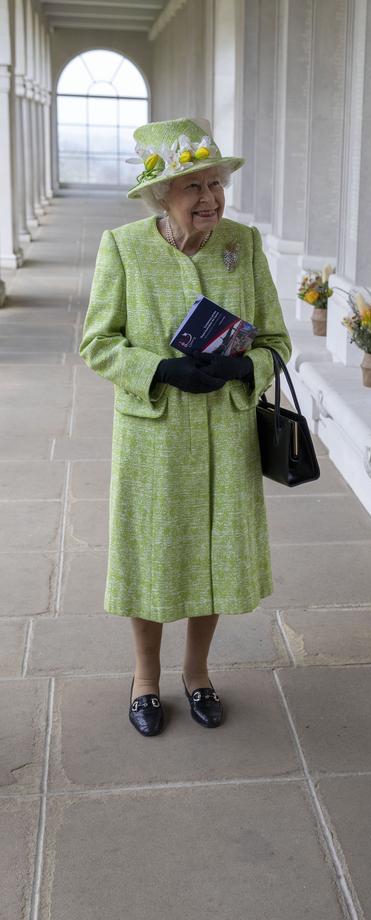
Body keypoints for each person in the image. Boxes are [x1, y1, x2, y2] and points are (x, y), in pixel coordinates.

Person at [80, 118, 291, 737]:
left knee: (213, 558)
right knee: (153, 556)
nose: (210, 198)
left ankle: (197, 673)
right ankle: (146, 679)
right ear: (159, 195)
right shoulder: (123, 247)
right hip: (154, 436)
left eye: (216, 183)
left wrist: (241, 365)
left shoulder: (242, 245)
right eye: (193, 186)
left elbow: (277, 342)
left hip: (226, 435)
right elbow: (97, 344)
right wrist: (162, 369)